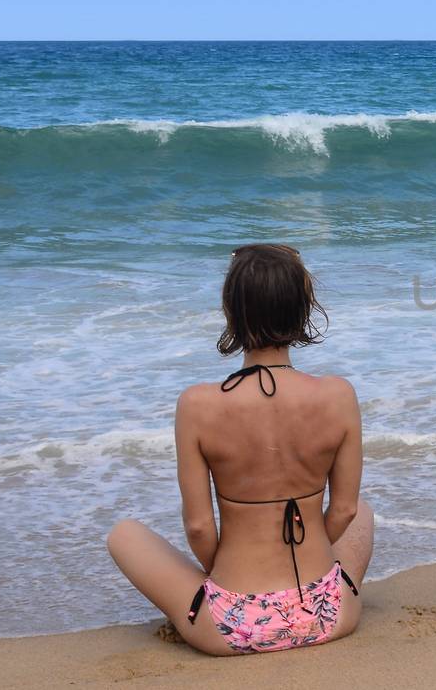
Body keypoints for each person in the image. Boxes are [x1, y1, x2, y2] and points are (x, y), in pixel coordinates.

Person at [107, 244, 373, 655]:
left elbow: (198, 528)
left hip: (232, 625)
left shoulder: (198, 405)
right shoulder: (339, 396)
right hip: (328, 614)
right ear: (302, 309)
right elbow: (345, 511)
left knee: (123, 535)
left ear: (232, 311)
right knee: (364, 514)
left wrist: (226, 573)